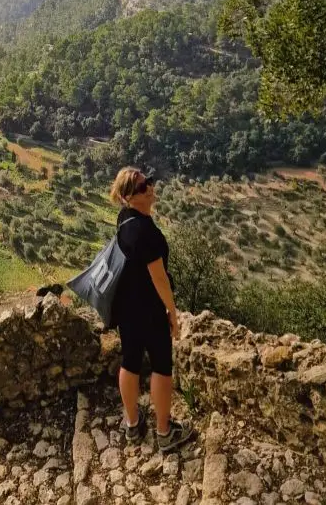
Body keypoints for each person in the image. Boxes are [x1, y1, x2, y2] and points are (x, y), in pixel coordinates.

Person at [109, 166, 194, 451]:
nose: (151, 188)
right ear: (130, 197)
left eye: (150, 182)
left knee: (130, 362)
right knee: (161, 366)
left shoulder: (124, 219)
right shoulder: (148, 234)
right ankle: (164, 432)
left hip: (126, 308)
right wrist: (172, 313)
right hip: (149, 310)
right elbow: (159, 278)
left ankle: (133, 426)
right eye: (144, 186)